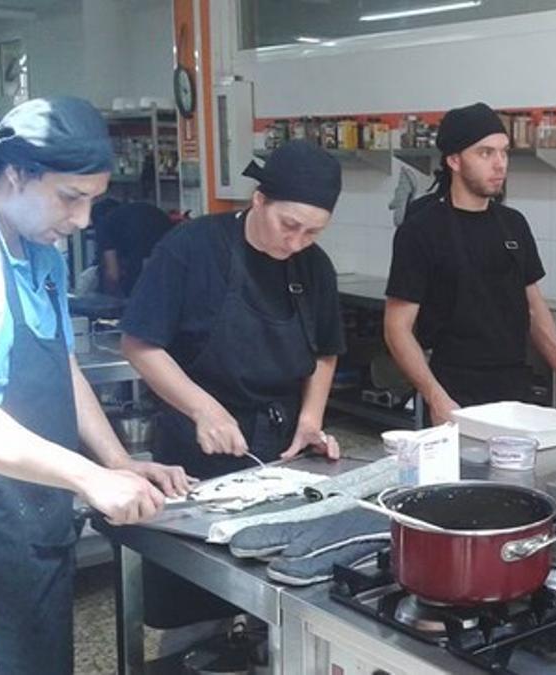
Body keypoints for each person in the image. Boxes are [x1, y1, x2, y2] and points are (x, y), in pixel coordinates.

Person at [0, 97, 184, 675]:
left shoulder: (39, 248)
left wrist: (118, 461)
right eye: (71, 198)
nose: (81, 220)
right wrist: (86, 475)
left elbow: (60, 367)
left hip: (32, 512)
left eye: (92, 201)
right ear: (16, 173)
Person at [120, 140, 346, 631]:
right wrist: (203, 409)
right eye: (289, 226)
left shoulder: (314, 265)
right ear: (259, 199)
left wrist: (310, 421)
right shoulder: (192, 248)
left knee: (275, 592)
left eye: (313, 232)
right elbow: (140, 344)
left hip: (280, 454)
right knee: (194, 602)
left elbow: (325, 351)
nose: (296, 243)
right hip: (194, 456)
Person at [384, 102, 556, 423]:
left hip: (513, 384)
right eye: (485, 153)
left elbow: (534, 307)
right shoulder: (422, 229)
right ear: (454, 160)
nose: (499, 164)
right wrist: (436, 396)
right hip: (453, 388)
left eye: (503, 153)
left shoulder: (513, 224)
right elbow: (397, 328)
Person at [96, 200, 174, 297]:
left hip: (141, 252)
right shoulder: (127, 214)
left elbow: (112, 274)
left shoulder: (104, 225)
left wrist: (110, 299)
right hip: (168, 238)